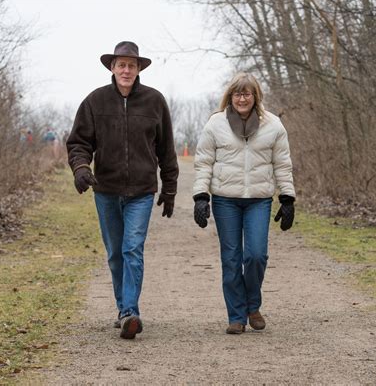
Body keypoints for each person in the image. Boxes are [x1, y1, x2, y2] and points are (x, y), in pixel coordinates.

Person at [66, 41, 178, 339]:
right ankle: (123, 308)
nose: (126, 70)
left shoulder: (155, 102)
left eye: (131, 65)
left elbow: (166, 149)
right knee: (116, 252)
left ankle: (131, 311)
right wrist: (80, 169)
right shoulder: (95, 102)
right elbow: (78, 143)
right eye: (121, 65)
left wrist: (170, 188)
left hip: (142, 190)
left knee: (132, 249)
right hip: (106, 190)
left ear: (138, 68)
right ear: (112, 68)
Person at [192, 72, 295, 334]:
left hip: (258, 201)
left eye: (247, 93)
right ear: (230, 96)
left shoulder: (273, 125)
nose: (242, 98)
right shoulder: (215, 124)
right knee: (231, 258)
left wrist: (287, 198)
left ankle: (253, 305)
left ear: (255, 96)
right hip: (225, 200)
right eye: (237, 94)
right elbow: (204, 161)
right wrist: (201, 196)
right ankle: (236, 315)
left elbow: (282, 164)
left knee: (256, 255)